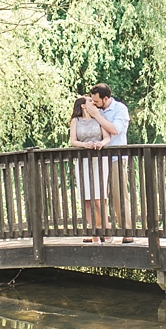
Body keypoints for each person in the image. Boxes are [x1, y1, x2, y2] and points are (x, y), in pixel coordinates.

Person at [83, 83, 133, 243]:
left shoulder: (120, 109)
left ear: (106, 98)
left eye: (97, 101)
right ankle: (101, 231)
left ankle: (127, 231)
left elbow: (115, 129)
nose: (94, 104)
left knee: (119, 194)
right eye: (93, 100)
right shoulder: (94, 109)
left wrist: (97, 115)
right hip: (98, 159)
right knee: (97, 197)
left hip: (116, 158)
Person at [69, 96, 110, 243]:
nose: (93, 102)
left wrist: (101, 143)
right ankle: (94, 233)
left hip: (98, 159)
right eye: (89, 101)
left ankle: (106, 230)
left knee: (99, 198)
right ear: (83, 106)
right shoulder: (76, 121)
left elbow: (107, 137)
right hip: (83, 160)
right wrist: (84, 145)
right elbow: (73, 141)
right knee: (87, 198)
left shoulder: (99, 118)